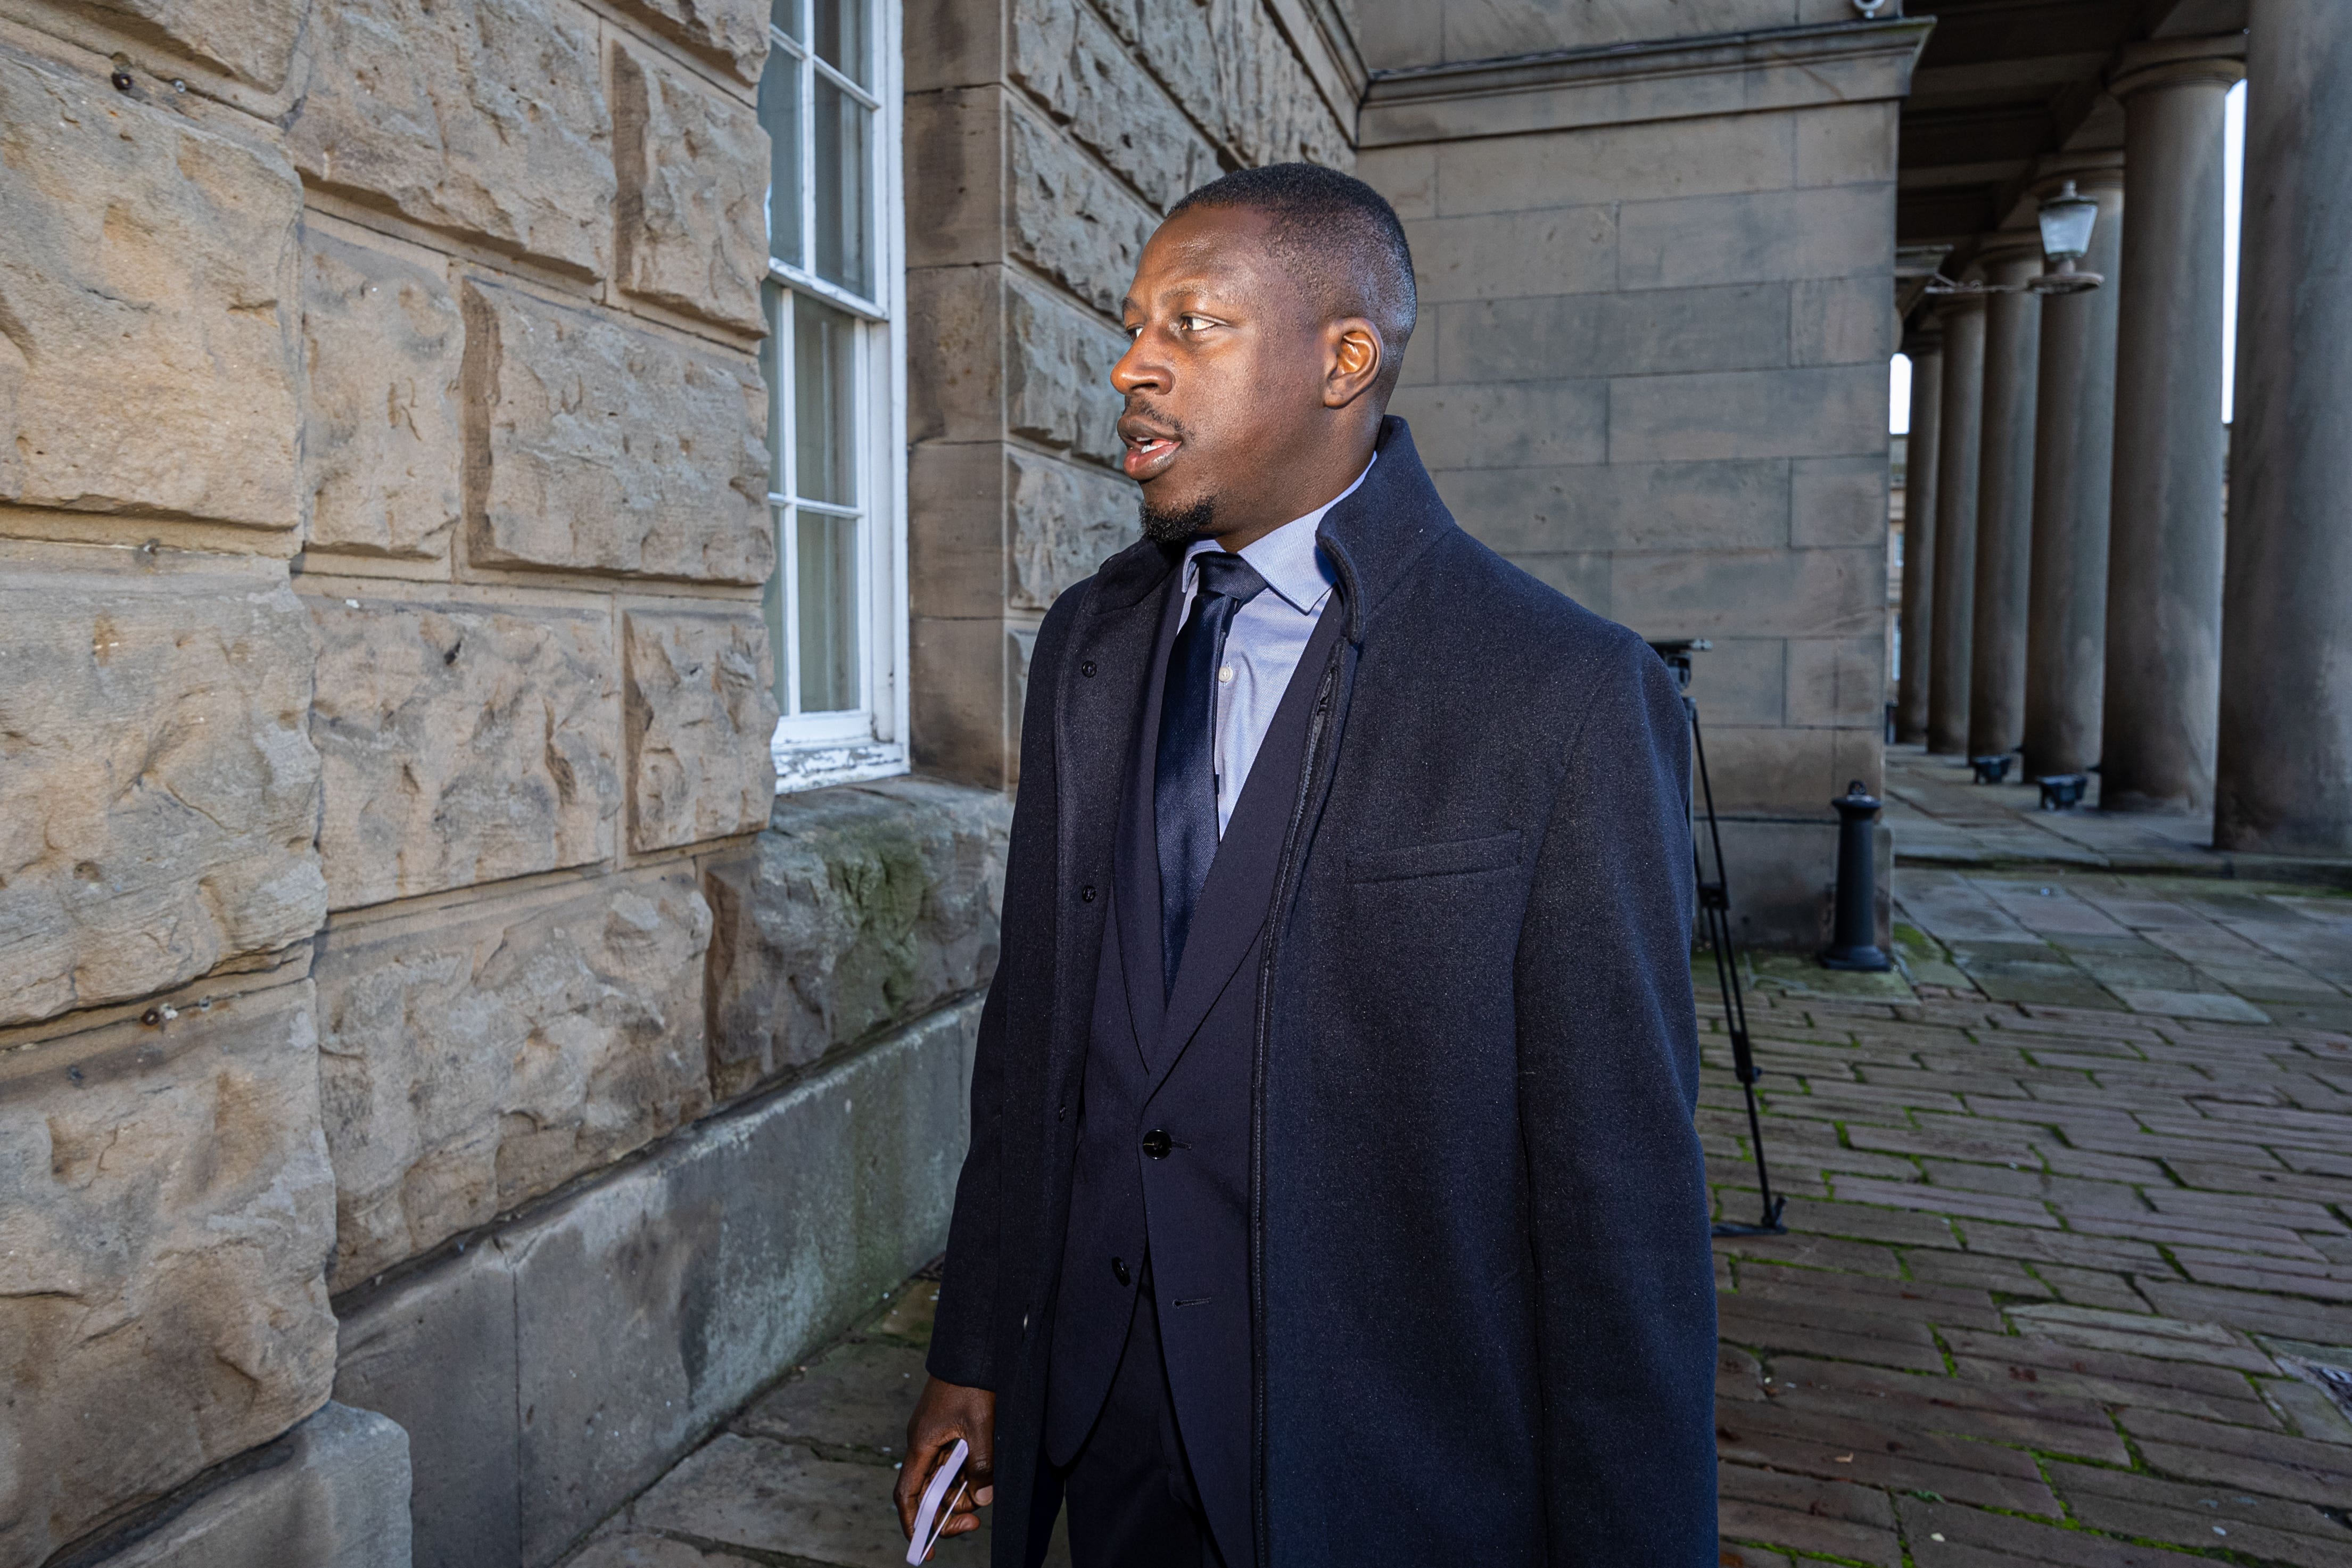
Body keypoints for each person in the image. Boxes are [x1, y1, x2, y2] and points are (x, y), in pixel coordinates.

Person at [896, 163, 1716, 1568]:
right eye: (1133, 322)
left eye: (1191, 326)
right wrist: (975, 1343)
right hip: (1103, 1418)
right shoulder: (1090, 642)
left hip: (1375, 1466)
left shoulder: (1567, 695)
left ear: (1346, 359)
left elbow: (1618, 1212)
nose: (1129, 366)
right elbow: (1035, 1031)